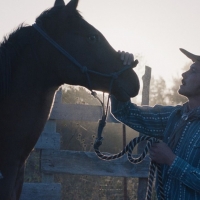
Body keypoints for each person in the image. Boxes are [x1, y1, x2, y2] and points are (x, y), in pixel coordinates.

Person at [111, 49, 200, 199]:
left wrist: (171, 160)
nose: (184, 74)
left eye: (193, 71)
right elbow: (125, 112)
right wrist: (119, 69)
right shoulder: (173, 117)